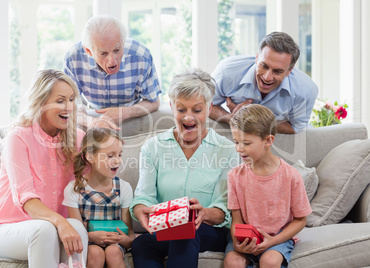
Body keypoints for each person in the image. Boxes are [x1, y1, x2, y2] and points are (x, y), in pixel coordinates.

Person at [0, 69, 88, 266]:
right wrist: (61, 222)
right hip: (4, 228)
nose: (69, 107)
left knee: (77, 229)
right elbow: (26, 199)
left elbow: (92, 186)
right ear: (42, 103)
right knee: (43, 230)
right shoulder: (19, 137)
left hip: (52, 228)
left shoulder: (77, 139)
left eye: (72, 99)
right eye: (61, 101)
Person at [130, 68, 238, 268]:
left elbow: (224, 209)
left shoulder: (227, 150)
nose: (189, 118)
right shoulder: (153, 147)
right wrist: (141, 211)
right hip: (165, 229)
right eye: (181, 110)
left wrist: (205, 213)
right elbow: (143, 197)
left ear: (209, 107)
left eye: (197, 110)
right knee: (141, 244)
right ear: (171, 107)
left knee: (187, 231)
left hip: (208, 231)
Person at [224, 104, 312, 268]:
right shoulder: (234, 176)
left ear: (268, 140)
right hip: (246, 238)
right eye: (236, 142)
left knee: (269, 261)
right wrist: (237, 243)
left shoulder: (291, 176)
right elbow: (237, 221)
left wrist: (274, 241)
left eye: (246, 143)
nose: (239, 148)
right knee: (232, 262)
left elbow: (300, 220)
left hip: (277, 236)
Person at [64, 14, 162, 130]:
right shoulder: (73, 58)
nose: (112, 61)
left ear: (123, 42)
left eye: (117, 50)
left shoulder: (141, 56)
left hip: (131, 114)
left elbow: (154, 102)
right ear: (89, 51)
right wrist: (92, 121)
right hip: (91, 114)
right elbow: (69, 105)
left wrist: (123, 113)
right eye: (103, 53)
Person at [209, 31, 318, 134]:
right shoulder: (226, 71)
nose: (267, 77)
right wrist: (232, 118)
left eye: (277, 71)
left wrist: (252, 120)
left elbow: (296, 127)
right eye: (264, 66)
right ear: (257, 58)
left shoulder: (306, 90)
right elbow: (205, 105)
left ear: (290, 70)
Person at [63, 128, 134, 268]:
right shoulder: (74, 189)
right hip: (87, 243)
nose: (117, 161)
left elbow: (130, 235)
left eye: (120, 155)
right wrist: (91, 236)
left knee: (113, 251)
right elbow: (76, 233)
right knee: (95, 253)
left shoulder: (124, 188)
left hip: (115, 244)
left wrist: (123, 239)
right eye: (110, 156)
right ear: (90, 157)